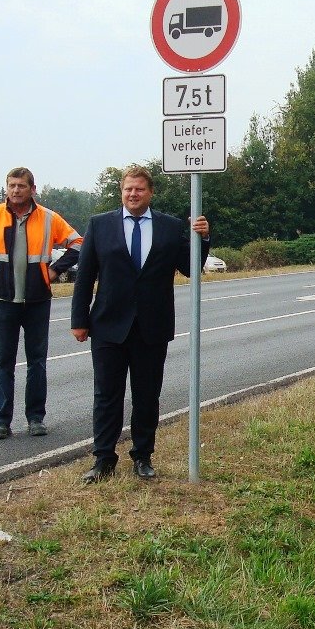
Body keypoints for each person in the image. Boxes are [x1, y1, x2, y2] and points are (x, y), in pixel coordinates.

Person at [70, 165, 211, 483]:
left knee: (147, 395)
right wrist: (79, 319)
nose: (133, 194)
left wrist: (203, 238)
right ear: (121, 192)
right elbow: (85, 276)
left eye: (139, 189)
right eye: (128, 189)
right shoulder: (100, 225)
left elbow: (191, 268)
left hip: (151, 325)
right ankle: (103, 459)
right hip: (108, 325)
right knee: (107, 395)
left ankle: (142, 457)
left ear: (150, 193)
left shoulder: (169, 226)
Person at [0, 167, 83, 440]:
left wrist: (55, 271)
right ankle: (1, 421)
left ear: (32, 189)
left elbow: (79, 243)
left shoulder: (48, 218)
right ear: (6, 188)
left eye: (21, 186)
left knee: (37, 361)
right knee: (3, 362)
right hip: (4, 299)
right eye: (11, 185)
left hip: (37, 299)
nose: (15, 190)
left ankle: (36, 418)